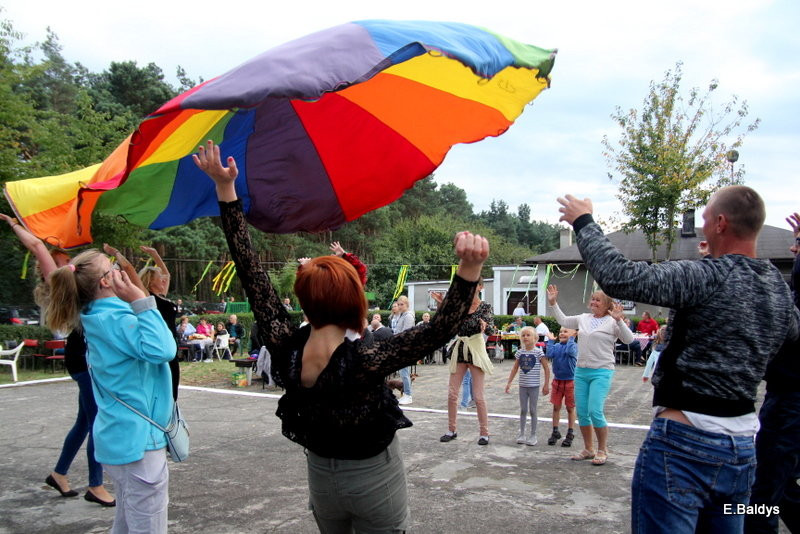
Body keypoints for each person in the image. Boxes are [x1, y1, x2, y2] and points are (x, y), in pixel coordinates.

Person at [193, 139, 488, 533]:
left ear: (303, 298)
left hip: (320, 477)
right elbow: (436, 331)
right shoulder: (365, 358)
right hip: (372, 479)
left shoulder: (285, 345)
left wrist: (225, 190)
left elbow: (250, 271)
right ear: (354, 300)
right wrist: (469, 269)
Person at [556, 187, 798, 532]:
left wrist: (584, 222)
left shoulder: (706, 276)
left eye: (703, 220)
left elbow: (620, 277)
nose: (700, 230)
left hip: (683, 447)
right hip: (742, 449)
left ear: (720, 223)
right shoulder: (777, 288)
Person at [45, 249, 176, 532]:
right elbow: (164, 350)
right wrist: (141, 300)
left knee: (128, 521)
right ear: (106, 281)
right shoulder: (117, 318)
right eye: (114, 266)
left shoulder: (97, 316)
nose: (120, 270)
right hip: (139, 440)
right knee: (148, 525)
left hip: (120, 436)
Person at [2, 215, 116, 506]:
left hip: (80, 361)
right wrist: (15, 226)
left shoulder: (74, 288)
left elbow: (39, 246)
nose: (67, 260)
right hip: (86, 363)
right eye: (63, 259)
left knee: (84, 422)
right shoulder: (68, 289)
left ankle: (59, 474)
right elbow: (38, 248)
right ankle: (96, 485)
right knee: (97, 423)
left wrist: (16, 225)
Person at [745, 212, 800, 534]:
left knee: (762, 495)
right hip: (783, 396)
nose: (794, 251)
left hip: (791, 402)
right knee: (776, 483)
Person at [547, 284, 633, 466]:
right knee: (583, 413)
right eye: (592, 299)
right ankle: (588, 448)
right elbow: (563, 319)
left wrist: (619, 321)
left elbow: (629, 339)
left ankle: (602, 449)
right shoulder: (583, 318)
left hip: (602, 371)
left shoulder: (612, 321)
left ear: (607, 304)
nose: (593, 302)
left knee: (595, 411)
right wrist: (553, 303)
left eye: (598, 300)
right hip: (581, 371)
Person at [436, 278, 495, 445]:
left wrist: (485, 325)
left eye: (475, 285)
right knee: (452, 393)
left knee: (478, 396)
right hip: (460, 349)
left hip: (475, 349)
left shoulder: (485, 306)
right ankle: (451, 429)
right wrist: (441, 306)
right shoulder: (460, 306)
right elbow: (445, 322)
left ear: (481, 287)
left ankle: (484, 433)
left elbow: (491, 328)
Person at [136, 246, 180, 400]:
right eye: (158, 277)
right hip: (160, 343)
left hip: (172, 343)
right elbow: (134, 278)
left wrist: (154, 254)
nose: (163, 279)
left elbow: (167, 274)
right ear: (150, 281)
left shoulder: (162, 296)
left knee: (174, 383)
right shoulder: (148, 297)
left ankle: (172, 414)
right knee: (163, 385)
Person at [504, 326, 550, 445]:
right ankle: (522, 433)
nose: (525, 337)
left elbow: (546, 368)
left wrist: (546, 384)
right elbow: (515, 368)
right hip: (522, 386)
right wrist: (509, 382)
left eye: (528, 335)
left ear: (535, 338)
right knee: (523, 409)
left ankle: (533, 435)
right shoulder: (520, 352)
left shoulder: (539, 352)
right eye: (523, 335)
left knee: (533, 410)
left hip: (534, 386)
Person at [544, 327, 578, 447]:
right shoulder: (557, 346)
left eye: (566, 332)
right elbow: (549, 354)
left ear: (573, 335)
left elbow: (570, 352)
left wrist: (572, 339)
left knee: (570, 408)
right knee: (556, 407)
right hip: (557, 380)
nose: (562, 334)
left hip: (570, 381)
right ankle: (555, 430)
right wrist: (551, 341)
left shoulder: (573, 346)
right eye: (561, 332)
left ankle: (570, 432)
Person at [393, 295, 416, 405]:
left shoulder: (408, 316)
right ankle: (406, 394)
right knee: (403, 373)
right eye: (399, 304)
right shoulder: (402, 315)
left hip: (405, 348)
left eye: (402, 304)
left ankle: (408, 394)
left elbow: (406, 334)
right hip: (400, 347)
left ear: (407, 305)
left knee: (404, 372)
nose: (400, 306)